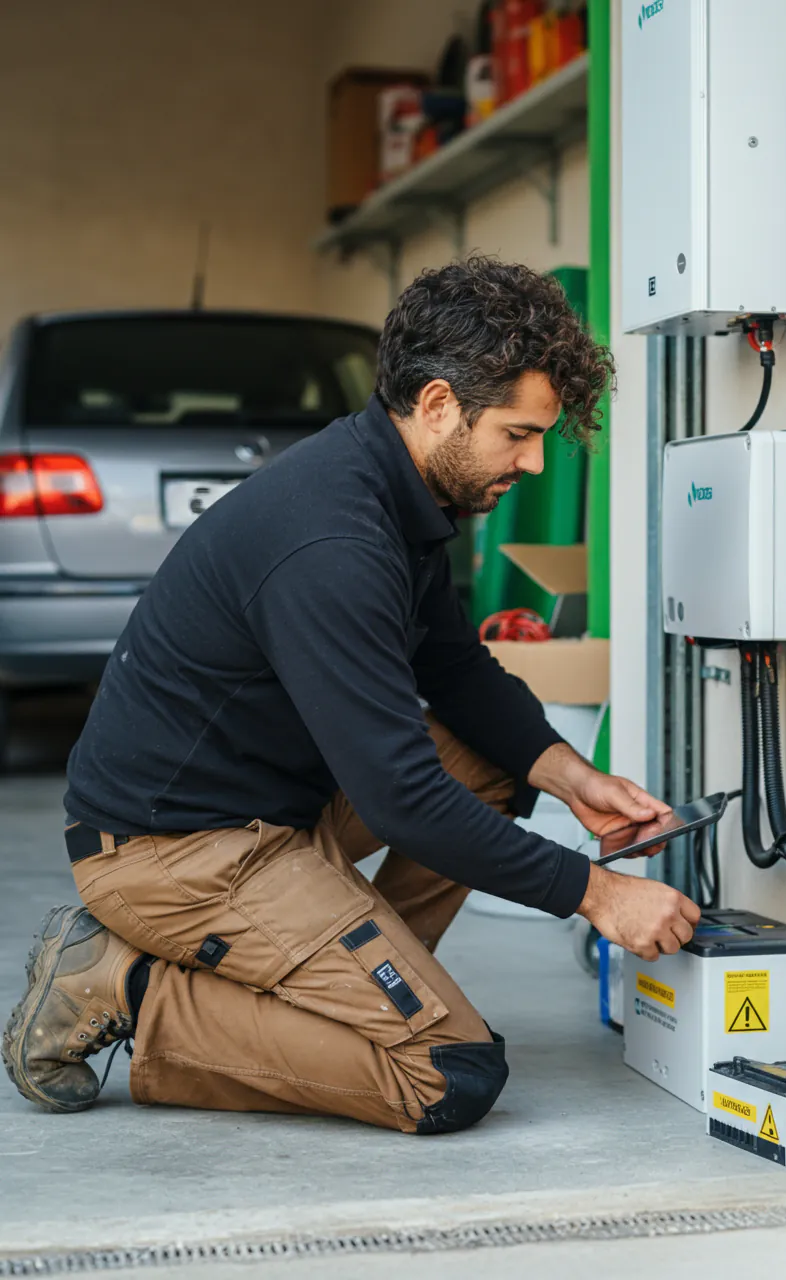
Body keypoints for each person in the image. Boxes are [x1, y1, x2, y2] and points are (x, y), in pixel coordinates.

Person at [3, 257, 700, 1133]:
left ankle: (362, 984)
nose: (531, 462)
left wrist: (571, 776)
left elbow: (452, 668)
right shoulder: (334, 539)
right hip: (173, 851)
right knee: (446, 1074)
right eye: (518, 435)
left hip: (270, 811)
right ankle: (122, 985)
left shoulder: (396, 487)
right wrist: (597, 894)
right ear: (439, 404)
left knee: (494, 758)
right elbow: (402, 798)